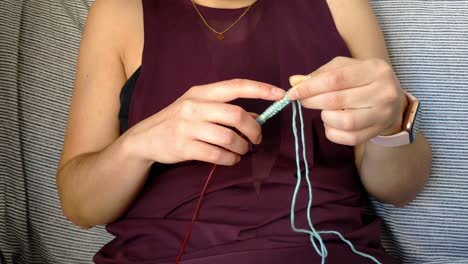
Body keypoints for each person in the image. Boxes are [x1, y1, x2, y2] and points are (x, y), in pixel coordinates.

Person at [56, 0, 432, 263]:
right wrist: (139, 145)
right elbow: (79, 206)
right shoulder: (119, 12)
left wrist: (393, 121)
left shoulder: (341, 5)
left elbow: (401, 189)